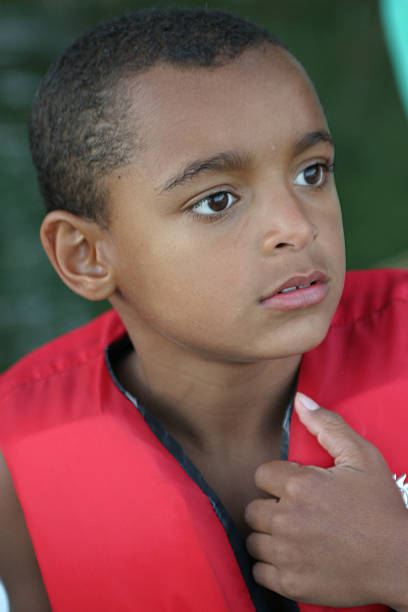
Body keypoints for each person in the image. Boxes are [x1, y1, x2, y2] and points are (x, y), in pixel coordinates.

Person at [0, 8, 407, 612]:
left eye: (311, 172)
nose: (295, 227)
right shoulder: (15, 466)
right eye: (217, 200)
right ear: (86, 256)